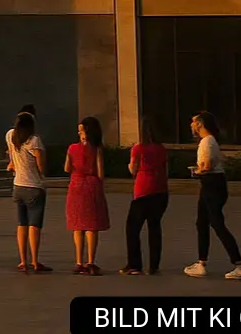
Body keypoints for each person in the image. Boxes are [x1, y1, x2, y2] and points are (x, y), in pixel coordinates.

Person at [184, 112, 241, 280]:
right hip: (211, 184)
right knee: (202, 223)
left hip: (212, 184)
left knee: (217, 224)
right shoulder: (209, 141)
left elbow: (206, 166)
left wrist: (196, 171)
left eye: (193, 121)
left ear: (200, 124)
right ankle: (201, 263)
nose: (191, 124)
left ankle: (239, 265)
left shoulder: (207, 142)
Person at [121, 117, 170, 275]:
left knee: (133, 229)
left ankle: (134, 264)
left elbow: (133, 170)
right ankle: (154, 265)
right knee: (154, 227)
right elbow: (166, 170)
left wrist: (129, 165)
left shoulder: (138, 148)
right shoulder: (161, 148)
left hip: (143, 191)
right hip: (161, 191)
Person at [65, 116, 111, 275]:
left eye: (81, 131)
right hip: (92, 186)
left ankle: (78, 261)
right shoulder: (97, 149)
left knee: (77, 227)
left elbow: (66, 168)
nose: (79, 134)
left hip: (76, 186)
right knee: (92, 226)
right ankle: (91, 261)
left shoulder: (72, 148)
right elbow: (101, 172)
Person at [7, 109, 51, 273]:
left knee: (22, 224)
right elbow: (41, 166)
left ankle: (22, 261)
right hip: (34, 186)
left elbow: (11, 156)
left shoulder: (11, 136)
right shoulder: (34, 141)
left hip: (18, 185)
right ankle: (34, 260)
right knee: (34, 225)